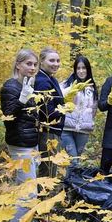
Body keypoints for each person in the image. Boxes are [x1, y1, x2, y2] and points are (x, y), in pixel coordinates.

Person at [0, 49, 38, 222]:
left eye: (34, 64)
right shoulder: (10, 86)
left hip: (30, 143)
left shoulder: (27, 84)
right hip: (20, 145)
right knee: (29, 193)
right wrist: (22, 100)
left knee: (22, 188)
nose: (32, 68)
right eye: (28, 64)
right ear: (18, 65)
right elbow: (8, 116)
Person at [60, 56, 98, 174]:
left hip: (83, 130)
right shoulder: (66, 84)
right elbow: (59, 101)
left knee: (76, 160)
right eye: (78, 68)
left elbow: (94, 108)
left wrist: (89, 120)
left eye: (84, 68)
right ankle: (69, 188)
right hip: (66, 128)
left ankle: (71, 186)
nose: (81, 71)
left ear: (88, 70)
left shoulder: (92, 88)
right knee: (73, 160)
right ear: (75, 69)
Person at [34, 47, 64, 177]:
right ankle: (44, 197)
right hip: (48, 132)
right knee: (48, 171)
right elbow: (47, 113)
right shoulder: (42, 81)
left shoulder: (51, 79)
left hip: (53, 131)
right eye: (51, 60)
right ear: (41, 61)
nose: (56, 64)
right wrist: (65, 109)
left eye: (57, 60)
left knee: (50, 168)